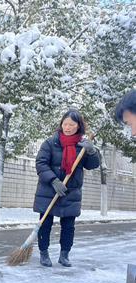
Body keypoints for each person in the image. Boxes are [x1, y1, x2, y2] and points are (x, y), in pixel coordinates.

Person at [33, 109, 99, 267]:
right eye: (65, 124)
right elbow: (41, 164)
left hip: (71, 192)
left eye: (72, 124)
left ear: (79, 126)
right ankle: (44, 253)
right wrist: (54, 181)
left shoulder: (82, 146)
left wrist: (91, 151)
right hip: (49, 190)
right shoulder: (51, 142)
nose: (67, 127)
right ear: (61, 124)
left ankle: (64, 255)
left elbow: (92, 165)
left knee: (68, 226)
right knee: (45, 223)